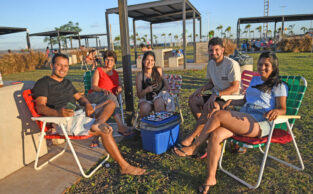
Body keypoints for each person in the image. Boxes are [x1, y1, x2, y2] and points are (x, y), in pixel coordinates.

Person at [174, 51, 288, 193]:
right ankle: (210, 178)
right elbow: (245, 100)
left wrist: (277, 112)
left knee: (218, 115)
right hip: (244, 115)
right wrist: (231, 102)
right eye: (260, 64)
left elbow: (283, 109)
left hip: (260, 121)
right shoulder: (255, 80)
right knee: (216, 135)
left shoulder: (279, 85)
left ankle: (195, 146)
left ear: (274, 67)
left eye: (266, 65)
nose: (262, 67)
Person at [32, 53, 145, 175]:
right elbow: (40, 107)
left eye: (65, 66)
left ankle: (97, 124)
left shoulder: (67, 83)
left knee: (110, 103)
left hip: (78, 115)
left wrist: (87, 104)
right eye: (59, 65)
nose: (62, 68)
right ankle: (125, 166)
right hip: (64, 121)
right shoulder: (43, 82)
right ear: (51, 66)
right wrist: (58, 112)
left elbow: (80, 98)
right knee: (105, 130)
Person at [179, 37, 241, 147]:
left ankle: (193, 136)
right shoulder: (211, 64)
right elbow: (211, 83)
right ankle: (205, 129)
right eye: (211, 50)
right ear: (208, 51)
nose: (214, 53)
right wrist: (200, 90)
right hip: (215, 95)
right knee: (193, 100)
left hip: (229, 98)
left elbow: (235, 88)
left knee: (211, 107)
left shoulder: (231, 64)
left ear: (222, 49)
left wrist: (216, 95)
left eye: (217, 50)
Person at [87, 50, 133, 148]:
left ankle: (95, 138)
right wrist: (103, 90)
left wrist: (120, 88)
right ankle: (120, 126)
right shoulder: (99, 70)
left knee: (111, 99)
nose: (109, 62)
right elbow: (93, 86)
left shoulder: (115, 74)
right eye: (107, 60)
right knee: (111, 97)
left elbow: (120, 85)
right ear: (104, 61)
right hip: (96, 95)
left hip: (108, 101)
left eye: (111, 60)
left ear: (115, 62)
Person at [135, 51, 171, 118]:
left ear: (154, 62)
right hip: (147, 99)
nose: (150, 62)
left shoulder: (159, 70)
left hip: (160, 96)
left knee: (158, 102)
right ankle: (148, 125)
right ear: (143, 61)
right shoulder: (140, 76)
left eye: (152, 60)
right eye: (147, 60)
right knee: (144, 108)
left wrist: (158, 93)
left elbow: (167, 86)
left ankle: (161, 124)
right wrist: (146, 90)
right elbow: (139, 95)